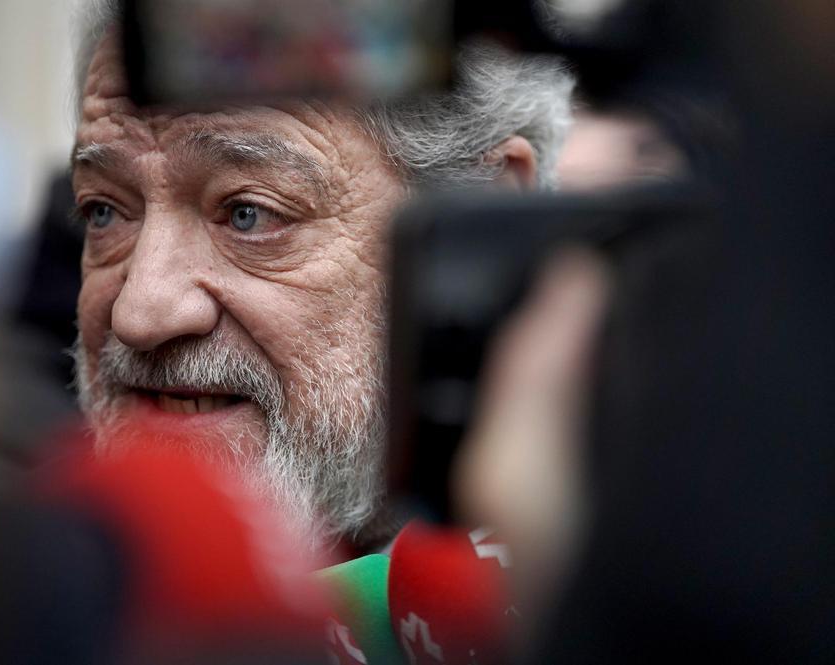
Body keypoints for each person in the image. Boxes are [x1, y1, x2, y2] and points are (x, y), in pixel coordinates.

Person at [69, 0, 574, 552]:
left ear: (485, 230)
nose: (139, 313)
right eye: (105, 212)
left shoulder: (615, 610)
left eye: (249, 213)